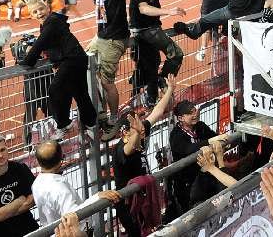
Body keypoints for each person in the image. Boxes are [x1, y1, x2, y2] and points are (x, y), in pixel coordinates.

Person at [29, 0, 154, 139]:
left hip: (114, 40)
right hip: (101, 37)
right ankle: (96, 112)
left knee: (106, 82)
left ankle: (113, 118)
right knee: (83, 63)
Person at [19, 0, 98, 141]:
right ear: (31, 15)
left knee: (55, 90)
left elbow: (40, 44)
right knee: (80, 95)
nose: (39, 13)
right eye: (34, 12)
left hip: (72, 60)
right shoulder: (48, 24)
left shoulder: (52, 21)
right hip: (76, 59)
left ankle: (64, 124)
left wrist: (26, 62)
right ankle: (92, 126)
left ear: (47, 8)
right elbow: (48, 43)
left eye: (40, 9)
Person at [112, 74, 179, 237]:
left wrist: (170, 90)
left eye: (141, 125)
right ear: (125, 132)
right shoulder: (121, 148)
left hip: (143, 197)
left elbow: (157, 112)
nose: (143, 127)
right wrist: (137, 131)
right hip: (129, 204)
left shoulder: (139, 132)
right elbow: (130, 148)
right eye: (137, 126)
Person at [129, 0, 189, 107]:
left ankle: (149, 96)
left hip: (148, 29)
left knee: (150, 65)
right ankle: (159, 82)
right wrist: (169, 11)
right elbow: (144, 9)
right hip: (146, 30)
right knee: (175, 54)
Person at [32, 141, 120, 232]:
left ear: (38, 162)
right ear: (60, 161)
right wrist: (97, 197)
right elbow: (74, 215)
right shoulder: (59, 189)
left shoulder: (36, 184)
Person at [168, 99, 229, 214]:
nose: (195, 114)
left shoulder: (200, 126)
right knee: (193, 213)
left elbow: (216, 137)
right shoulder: (176, 135)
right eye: (191, 113)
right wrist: (211, 141)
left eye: (195, 111)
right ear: (181, 118)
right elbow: (188, 149)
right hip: (187, 184)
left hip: (206, 175)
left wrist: (218, 141)